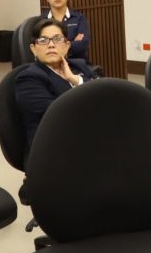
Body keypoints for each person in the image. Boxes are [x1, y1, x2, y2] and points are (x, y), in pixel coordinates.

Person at [14, 18, 96, 155]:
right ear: (33, 49)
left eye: (57, 39)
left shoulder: (78, 66)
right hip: (53, 151)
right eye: (43, 40)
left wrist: (75, 80)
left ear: (67, 46)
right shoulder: (29, 78)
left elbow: (104, 94)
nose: (51, 45)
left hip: (87, 140)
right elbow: (57, 116)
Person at [41, 0, 91, 65]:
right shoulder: (41, 21)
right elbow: (40, 47)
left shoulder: (79, 18)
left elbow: (82, 45)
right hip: (49, 66)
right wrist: (70, 43)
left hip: (75, 65)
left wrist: (52, 46)